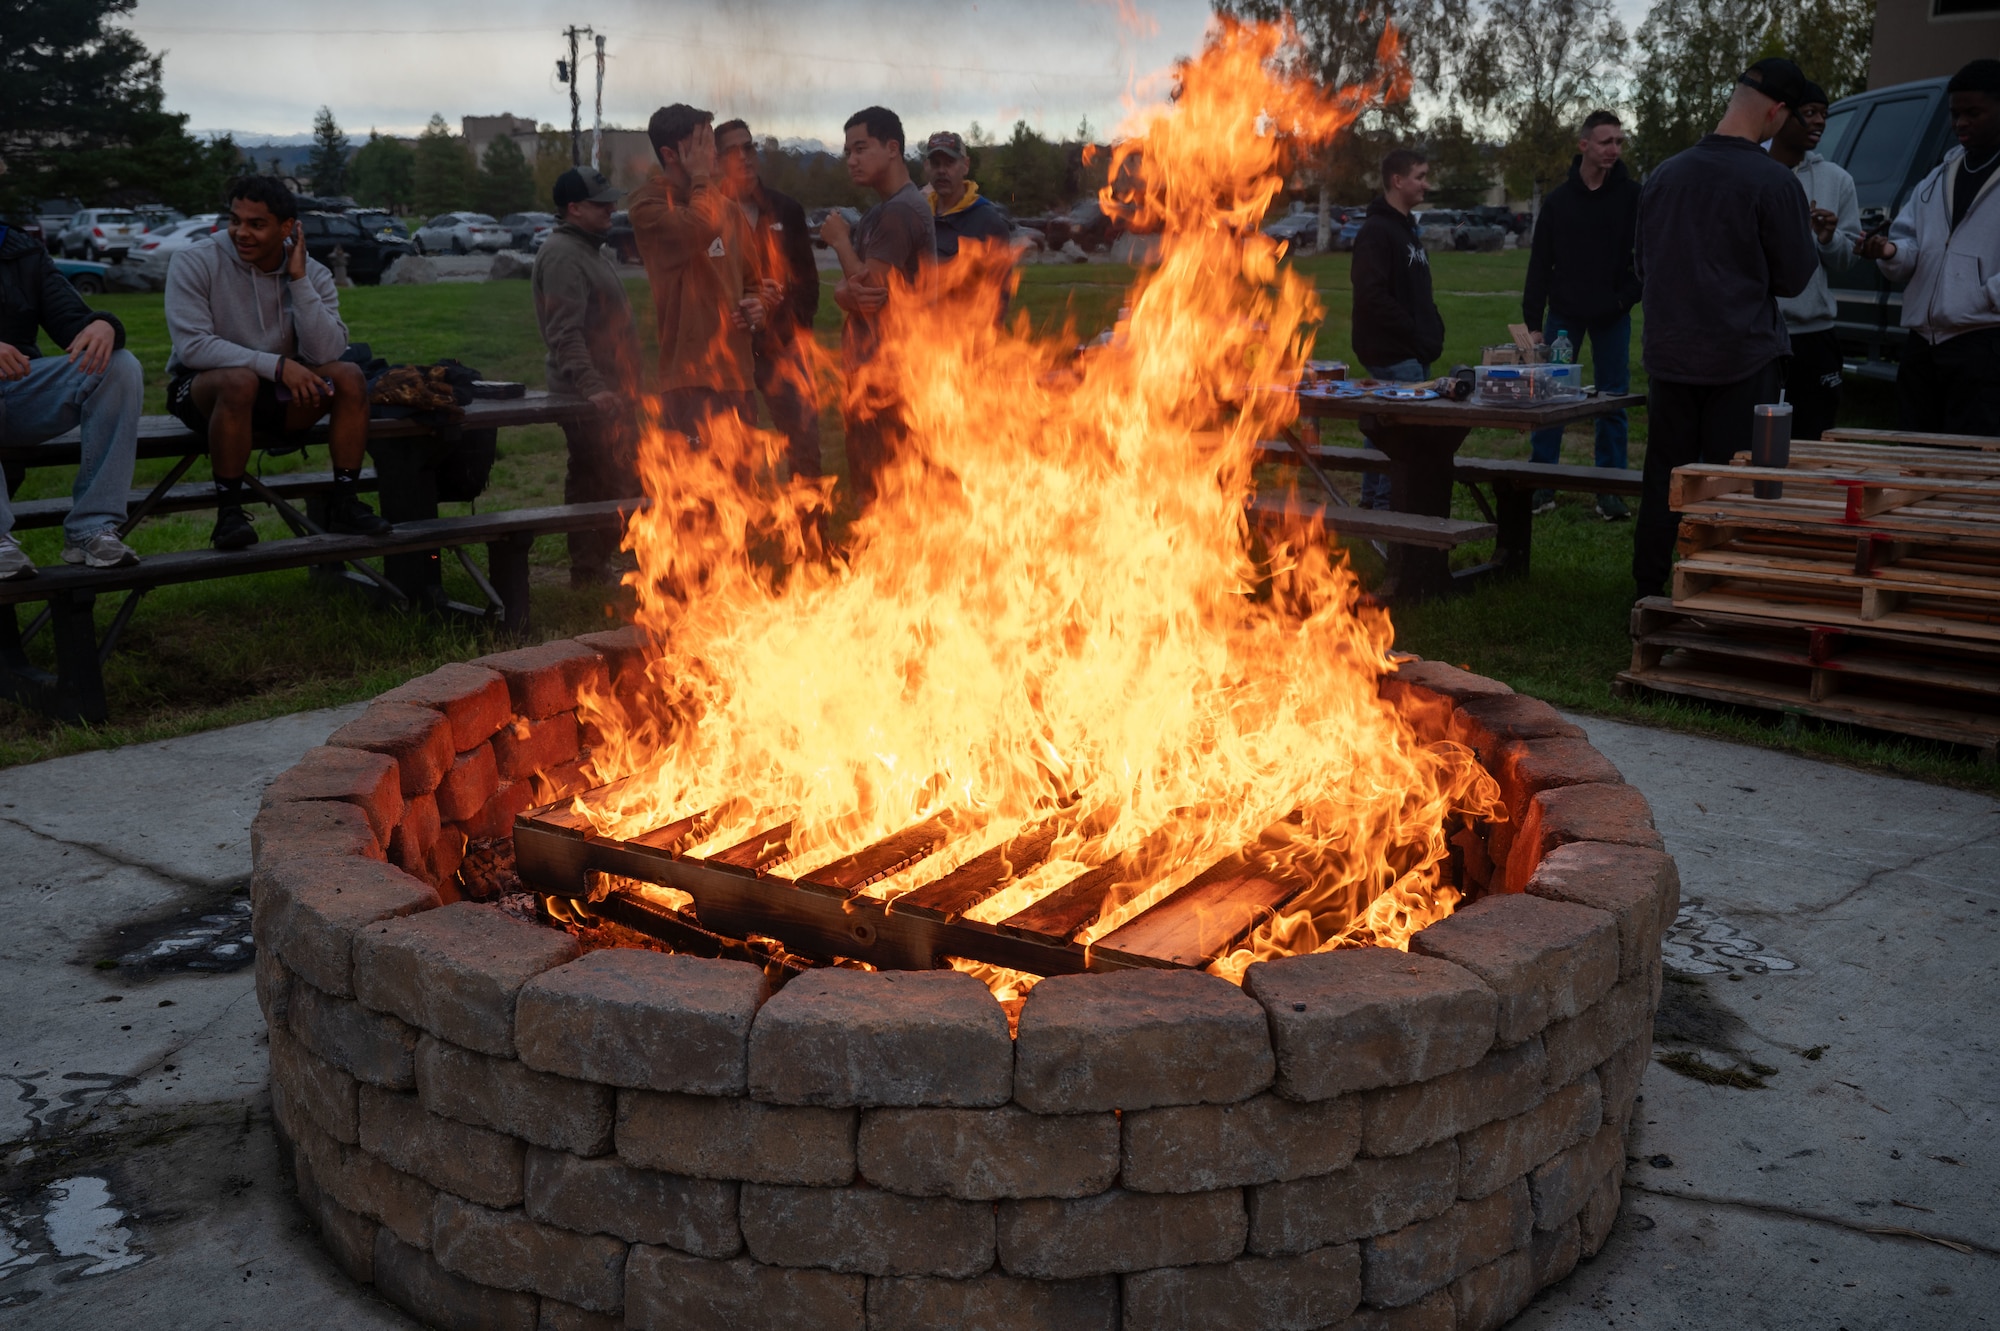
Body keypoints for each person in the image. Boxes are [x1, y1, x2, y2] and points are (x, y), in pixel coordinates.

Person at [1631, 59, 1818, 601]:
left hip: (1670, 358)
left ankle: (1647, 590)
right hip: (1742, 360)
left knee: (1665, 479)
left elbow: (1643, 266)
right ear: (1776, 111)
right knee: (1733, 483)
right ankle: (1721, 593)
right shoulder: (1773, 181)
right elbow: (1793, 278)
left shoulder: (1665, 174)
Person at [165, 175, 388, 550]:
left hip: (282, 395)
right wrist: (276, 365)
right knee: (239, 382)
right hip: (206, 392)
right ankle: (229, 515)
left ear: (287, 227)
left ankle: (346, 502)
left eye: (256, 224)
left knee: (348, 375)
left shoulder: (313, 273)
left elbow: (325, 354)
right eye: (236, 220)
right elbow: (193, 347)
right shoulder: (195, 261)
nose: (241, 233)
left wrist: (298, 280)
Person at [1857, 58, 2000, 438]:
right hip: (1923, 343)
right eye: (1955, 114)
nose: (1961, 123)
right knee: (1915, 449)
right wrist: (1889, 252)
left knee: (1969, 459)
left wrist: (1984, 298)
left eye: (1974, 112)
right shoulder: (1938, 177)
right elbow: (1912, 244)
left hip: (1983, 343)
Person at [0, 220, 143, 576]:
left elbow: (70, 318)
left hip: (17, 394)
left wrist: (102, 325)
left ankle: (92, 529)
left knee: (118, 365)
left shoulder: (19, 247)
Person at [1521, 110, 1641, 521]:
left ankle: (1608, 491)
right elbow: (1539, 266)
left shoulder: (1632, 197)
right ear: (1584, 145)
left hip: (1612, 315)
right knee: (1551, 398)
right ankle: (1542, 485)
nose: (1614, 150)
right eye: (1606, 141)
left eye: (1619, 142)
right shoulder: (1558, 202)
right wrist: (1534, 325)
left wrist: (1623, 300)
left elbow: (1644, 260)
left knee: (1612, 401)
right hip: (1564, 318)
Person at [629, 104, 768, 443]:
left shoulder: (729, 209)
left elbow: (753, 283)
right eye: (704, 145)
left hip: (737, 378)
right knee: (695, 492)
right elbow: (699, 227)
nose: (715, 154)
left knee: (742, 492)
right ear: (670, 153)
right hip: (689, 381)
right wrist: (703, 177)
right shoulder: (647, 205)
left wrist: (756, 306)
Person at [532, 166, 644, 586]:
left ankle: (597, 565)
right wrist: (593, 387)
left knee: (607, 476)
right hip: (589, 398)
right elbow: (565, 332)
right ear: (574, 208)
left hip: (611, 392)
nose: (611, 208)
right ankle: (590, 569)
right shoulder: (564, 255)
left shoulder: (585, 249)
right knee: (599, 479)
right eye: (601, 204)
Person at [819, 106, 935, 508]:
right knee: (876, 488)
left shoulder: (900, 212)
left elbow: (867, 296)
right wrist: (843, 292)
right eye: (847, 151)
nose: (851, 159)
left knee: (883, 495)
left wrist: (840, 242)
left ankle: (887, 565)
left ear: (892, 148)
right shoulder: (881, 212)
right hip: (873, 374)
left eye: (861, 148)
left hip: (889, 380)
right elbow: (850, 290)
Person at [714, 118, 824, 481]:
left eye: (749, 147)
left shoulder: (785, 210)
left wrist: (784, 328)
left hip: (783, 349)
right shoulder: (708, 214)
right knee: (732, 449)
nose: (744, 157)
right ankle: (733, 533)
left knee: (804, 442)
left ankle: (811, 535)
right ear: (717, 161)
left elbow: (808, 286)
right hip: (730, 351)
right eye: (732, 151)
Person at [1766, 80, 1861, 444]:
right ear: (1784, 116)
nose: (1819, 121)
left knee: (1812, 436)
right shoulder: (1752, 172)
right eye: (1810, 113)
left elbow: (1845, 259)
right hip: (1759, 336)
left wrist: (1827, 238)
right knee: (1756, 440)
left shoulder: (1836, 180)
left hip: (1813, 336)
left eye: (1824, 113)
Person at [1350, 148, 1445, 511]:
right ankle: (1386, 511)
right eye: (1420, 176)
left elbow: (1418, 291)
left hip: (1413, 351)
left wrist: (1433, 326)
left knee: (1388, 435)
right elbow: (1371, 296)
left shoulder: (1407, 230)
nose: (1426, 184)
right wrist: (1413, 331)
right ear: (1397, 180)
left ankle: (1375, 507)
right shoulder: (1376, 232)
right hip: (1392, 353)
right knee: (1398, 438)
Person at [922, 131, 1014, 260]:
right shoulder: (920, 217)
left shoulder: (988, 223)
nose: (941, 170)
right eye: (935, 164)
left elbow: (1001, 278)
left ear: (965, 166)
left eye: (949, 163)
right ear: (927, 167)